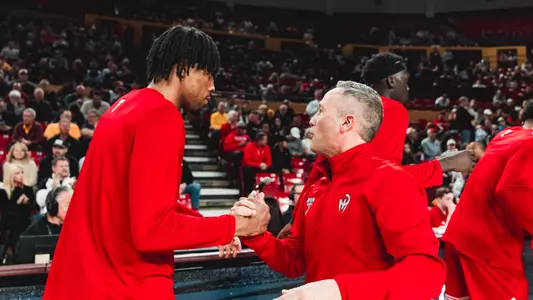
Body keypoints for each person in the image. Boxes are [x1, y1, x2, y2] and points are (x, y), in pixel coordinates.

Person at [43, 26, 270, 300]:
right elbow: (152, 230)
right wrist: (235, 225)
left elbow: (145, 202)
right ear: (183, 68)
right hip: (125, 283)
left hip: (82, 281)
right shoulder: (163, 116)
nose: (212, 86)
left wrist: (216, 229)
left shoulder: (124, 105)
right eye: (208, 74)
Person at [234, 81, 445, 299]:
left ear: (346, 122)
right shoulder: (316, 188)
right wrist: (256, 235)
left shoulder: (391, 180)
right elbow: (295, 261)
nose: (312, 120)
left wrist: (339, 291)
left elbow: (427, 273)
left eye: (321, 111)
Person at [280, 54, 474, 236]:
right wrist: (445, 164)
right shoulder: (391, 109)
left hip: (330, 218)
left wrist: (295, 220)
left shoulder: (353, 111)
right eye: (405, 81)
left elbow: (319, 170)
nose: (408, 88)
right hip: (357, 226)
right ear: (391, 81)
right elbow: (386, 182)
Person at [443, 99, 533, 300]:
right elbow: (510, 191)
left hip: (461, 234)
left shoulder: (506, 134)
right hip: (488, 245)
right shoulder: (531, 143)